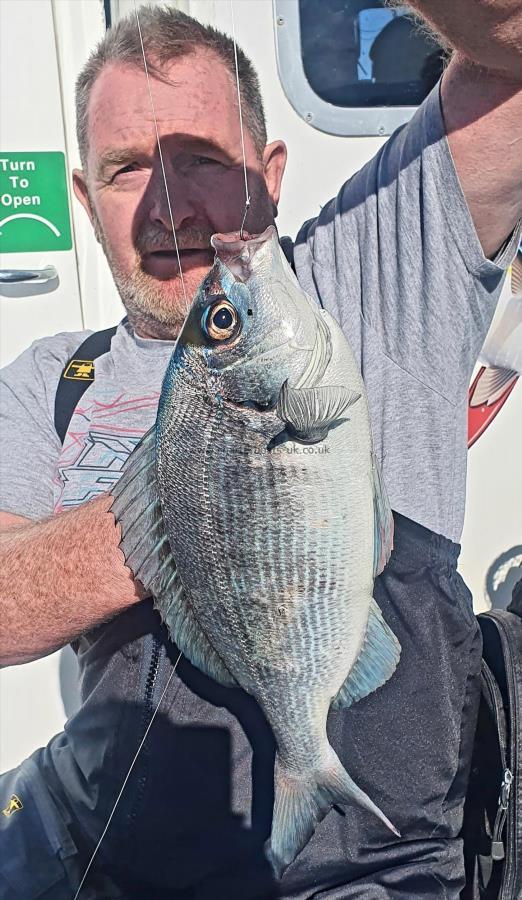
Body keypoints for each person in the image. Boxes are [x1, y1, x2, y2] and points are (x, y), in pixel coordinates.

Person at [0, 4, 521, 898]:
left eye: (201, 160)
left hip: (366, 869)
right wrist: (190, 502)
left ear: (269, 175)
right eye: (127, 171)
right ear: (85, 200)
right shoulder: (52, 378)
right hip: (120, 863)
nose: (169, 206)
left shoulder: (377, 267)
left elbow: (512, 57)